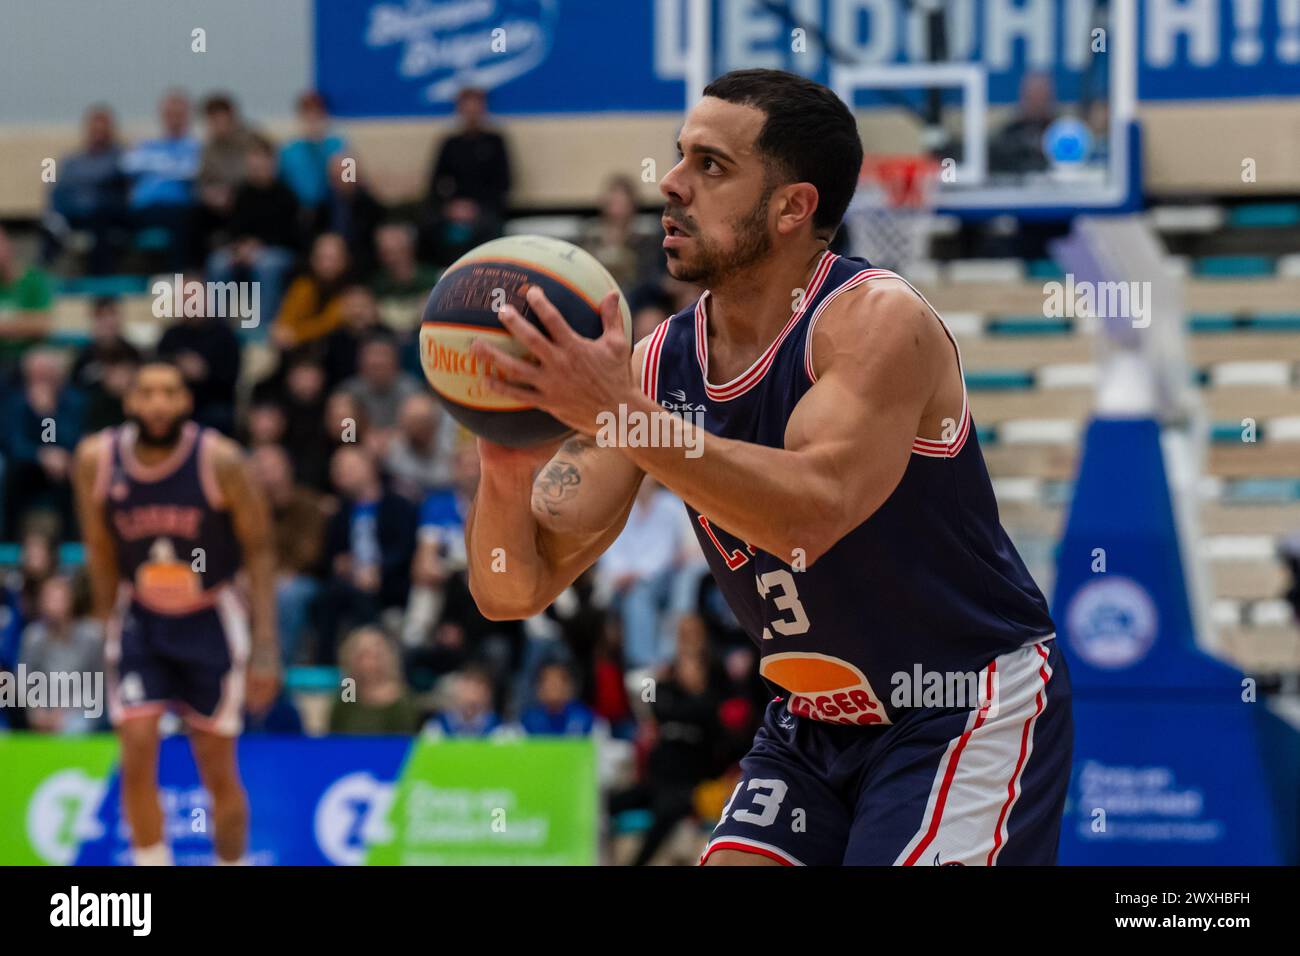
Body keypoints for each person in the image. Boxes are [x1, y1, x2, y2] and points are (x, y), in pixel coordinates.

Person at [464, 68, 1072, 867]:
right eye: (678, 157)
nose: (672, 184)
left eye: (710, 166)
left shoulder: (872, 323)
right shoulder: (656, 367)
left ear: (793, 207)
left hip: (961, 703)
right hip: (811, 722)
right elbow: (513, 587)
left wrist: (621, 411)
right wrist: (503, 461)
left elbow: (809, 516)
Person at [71, 359, 280, 865]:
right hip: (141, 618)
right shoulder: (96, 459)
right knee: (137, 745)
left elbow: (261, 549)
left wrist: (267, 648)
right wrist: (105, 627)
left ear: (186, 402)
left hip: (211, 618)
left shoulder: (221, 460)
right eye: (147, 393)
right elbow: (98, 551)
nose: (158, 404)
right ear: (130, 402)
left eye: (169, 392)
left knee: (216, 765)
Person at [205, 135, 301, 328]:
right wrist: (240, 248)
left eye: (261, 162)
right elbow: (234, 228)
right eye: (253, 162)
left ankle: (262, 325)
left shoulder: (286, 195)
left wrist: (259, 247)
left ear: (272, 163)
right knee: (218, 262)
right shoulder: (242, 193)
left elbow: (290, 234)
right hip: (244, 250)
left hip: (278, 251)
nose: (257, 167)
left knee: (266, 265)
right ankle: (218, 325)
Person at [121, 89, 201, 271]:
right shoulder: (145, 146)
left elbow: (194, 173)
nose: (174, 119)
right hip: (141, 209)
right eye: (169, 114)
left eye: (179, 114)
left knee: (186, 221)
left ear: (188, 116)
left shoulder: (196, 147)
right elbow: (126, 170)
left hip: (178, 209)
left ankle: (178, 274)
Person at [44, 104, 130, 274]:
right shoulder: (71, 161)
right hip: (74, 213)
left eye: (102, 130)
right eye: (94, 129)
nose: (97, 135)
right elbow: (57, 189)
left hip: (104, 215)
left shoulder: (121, 158)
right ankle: (40, 274)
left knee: (101, 222)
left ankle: (100, 283)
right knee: (51, 226)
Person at [328, 626, 420, 734]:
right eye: (362, 656)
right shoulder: (348, 694)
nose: (368, 663)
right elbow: (334, 737)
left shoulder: (401, 701)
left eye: (375, 656)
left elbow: (405, 741)